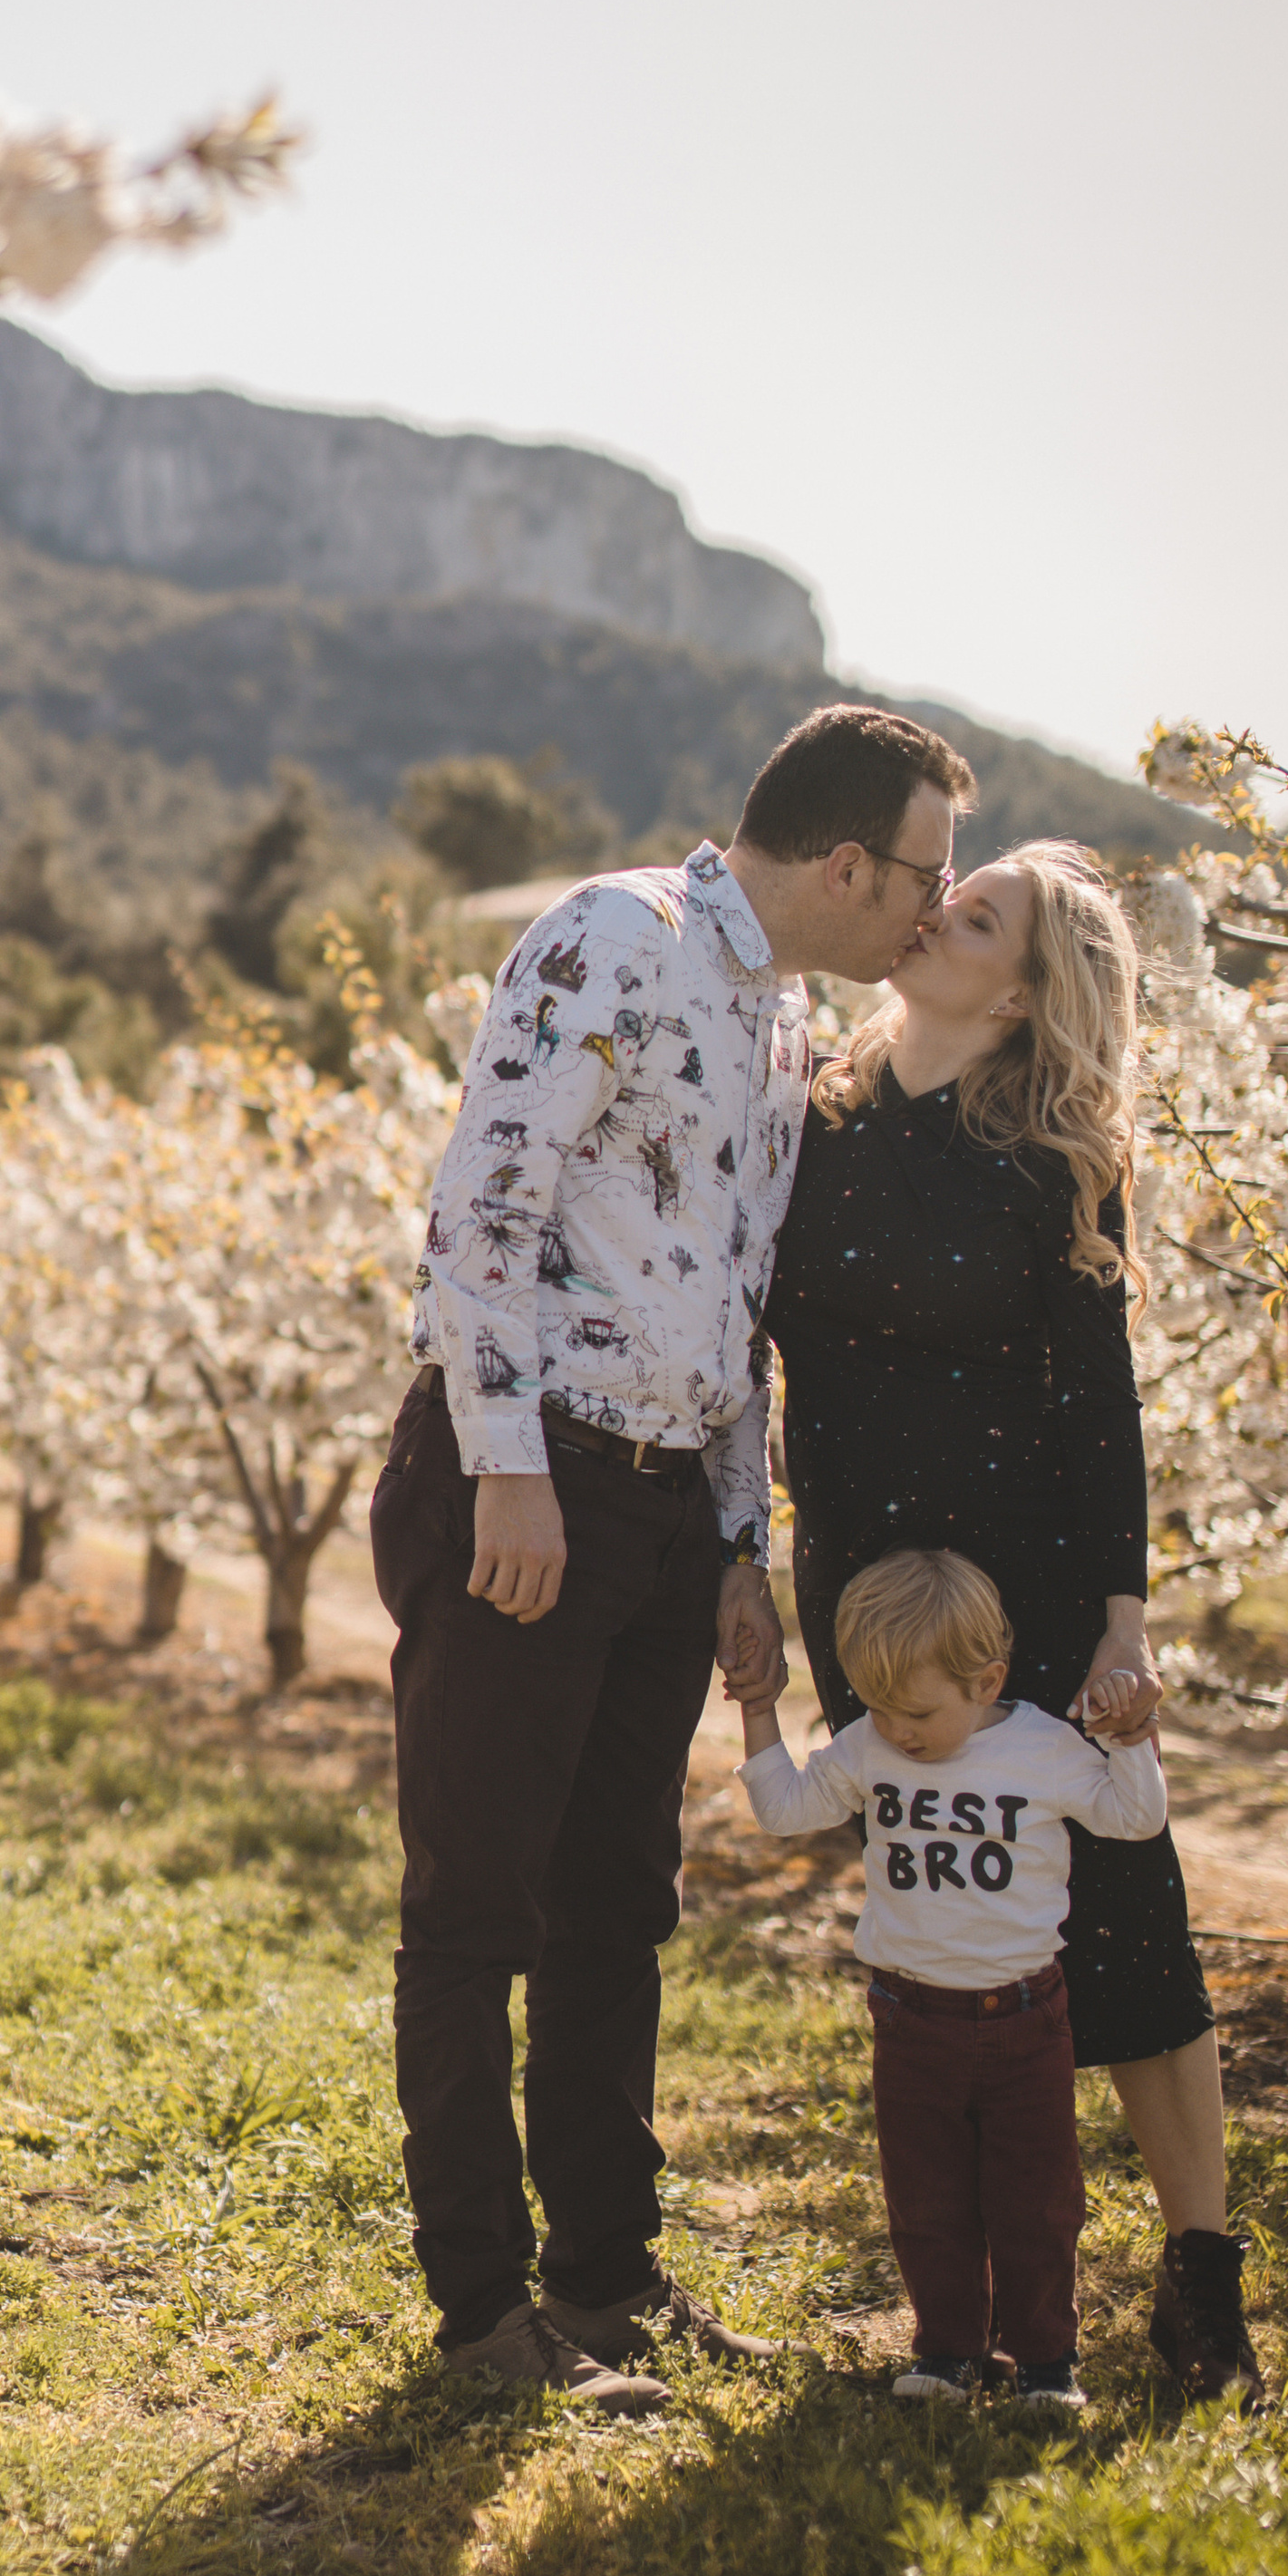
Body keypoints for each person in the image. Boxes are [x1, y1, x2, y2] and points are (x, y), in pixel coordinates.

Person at [375, 703, 976, 2412]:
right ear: (848, 861)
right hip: (527, 1476)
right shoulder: (612, 939)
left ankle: (610, 2283)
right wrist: (504, 1466)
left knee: (616, 1909)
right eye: (923, 877)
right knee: (475, 1908)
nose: (930, 915)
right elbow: (480, 1212)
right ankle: (487, 2316)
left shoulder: (781, 1023)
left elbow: (735, 1300)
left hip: (656, 1507)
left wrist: (735, 1539)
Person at [762, 836, 1264, 2408]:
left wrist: (1121, 1625)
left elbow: (1102, 1412)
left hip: (1033, 1601)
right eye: (946, 894)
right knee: (948, 1923)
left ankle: (1201, 2280)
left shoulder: (1059, 1156)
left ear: (1029, 989)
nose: (935, 914)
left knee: (1121, 1936)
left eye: (975, 917)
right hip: (868, 1592)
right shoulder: (811, 1124)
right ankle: (969, 2313)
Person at [737, 1547, 1167, 2407]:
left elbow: (1134, 1817)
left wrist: (1127, 1739)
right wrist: (757, 1705)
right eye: (878, 1709)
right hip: (912, 2020)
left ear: (987, 1680)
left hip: (1024, 2020)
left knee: (1037, 2204)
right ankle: (947, 2352)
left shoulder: (1043, 1747)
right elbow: (784, 1809)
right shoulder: (871, 1747)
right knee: (927, 2202)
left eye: (918, 1712)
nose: (899, 1730)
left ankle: (1045, 2360)